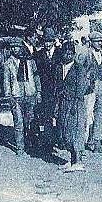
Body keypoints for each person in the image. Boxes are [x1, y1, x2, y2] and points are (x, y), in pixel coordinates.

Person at [55, 43, 88, 172]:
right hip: (64, 103)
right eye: (65, 53)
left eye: (70, 53)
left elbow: (81, 88)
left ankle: (78, 161)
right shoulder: (59, 68)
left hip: (75, 104)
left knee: (76, 132)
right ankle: (72, 159)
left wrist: (75, 104)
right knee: (66, 131)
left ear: (73, 55)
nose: (67, 55)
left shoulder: (79, 69)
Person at [4, 37, 40, 156]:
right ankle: (20, 148)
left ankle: (30, 144)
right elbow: (6, 81)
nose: (15, 49)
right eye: (13, 47)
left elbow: (36, 77)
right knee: (18, 122)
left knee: (29, 121)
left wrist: (38, 91)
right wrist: (8, 96)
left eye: (17, 47)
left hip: (30, 94)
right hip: (16, 96)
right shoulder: (8, 63)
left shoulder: (30, 61)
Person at [34, 27, 61, 155]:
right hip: (45, 91)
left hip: (59, 90)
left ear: (54, 41)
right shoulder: (38, 55)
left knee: (60, 116)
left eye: (50, 41)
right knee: (47, 118)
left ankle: (59, 141)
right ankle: (48, 143)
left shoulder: (61, 53)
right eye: (45, 41)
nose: (48, 44)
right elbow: (37, 74)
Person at [85, 30, 102, 152]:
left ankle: (97, 139)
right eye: (97, 41)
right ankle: (88, 140)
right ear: (91, 42)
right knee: (89, 113)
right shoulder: (86, 54)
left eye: (101, 41)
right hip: (90, 87)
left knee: (101, 112)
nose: (100, 44)